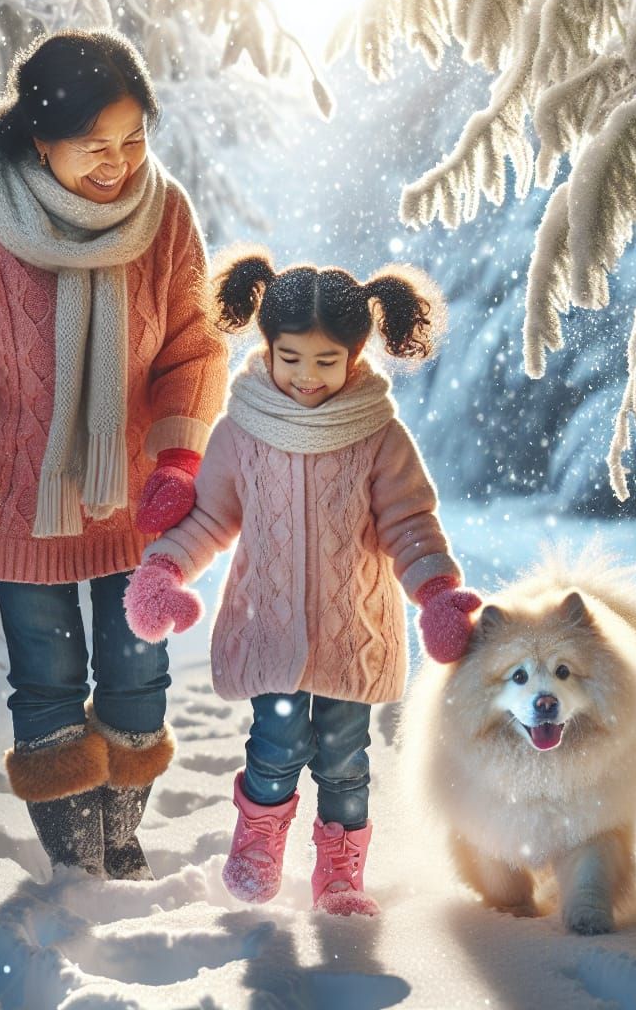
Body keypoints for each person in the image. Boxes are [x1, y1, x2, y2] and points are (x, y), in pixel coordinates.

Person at [0, 30, 228, 880]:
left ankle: (119, 829)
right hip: (19, 495)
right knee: (46, 679)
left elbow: (195, 347)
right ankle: (75, 858)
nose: (119, 164)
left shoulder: (165, 213)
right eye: (93, 146)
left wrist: (181, 462)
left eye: (133, 140)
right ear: (41, 139)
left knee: (136, 672)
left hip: (139, 497)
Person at [123, 248, 480, 915]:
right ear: (269, 347)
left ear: (353, 356)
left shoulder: (379, 435)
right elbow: (210, 519)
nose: (307, 377)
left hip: (354, 633)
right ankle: (258, 839)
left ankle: (340, 871)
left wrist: (434, 592)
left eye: (326, 362)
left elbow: (410, 525)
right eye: (292, 359)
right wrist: (164, 569)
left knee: (345, 755)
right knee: (278, 743)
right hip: (271, 626)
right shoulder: (242, 431)